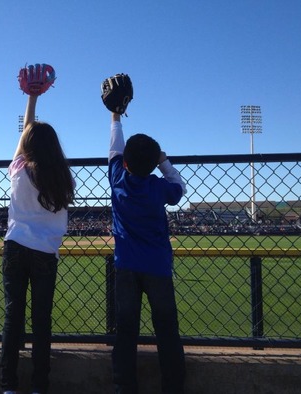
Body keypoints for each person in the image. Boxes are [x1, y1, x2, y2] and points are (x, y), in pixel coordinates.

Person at [108, 111, 188, 393]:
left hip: (126, 266)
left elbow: (115, 148)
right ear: (152, 165)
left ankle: (123, 386)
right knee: (167, 331)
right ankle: (173, 387)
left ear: (125, 162)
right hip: (157, 267)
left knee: (126, 332)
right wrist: (163, 161)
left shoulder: (117, 178)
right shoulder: (158, 187)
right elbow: (179, 188)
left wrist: (115, 116)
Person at [0, 93, 75, 394]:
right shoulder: (63, 178)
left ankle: (8, 386)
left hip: (16, 246)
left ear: (28, 145)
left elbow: (23, 139)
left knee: (12, 317)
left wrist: (32, 98)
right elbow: (30, 141)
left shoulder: (19, 170)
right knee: (41, 322)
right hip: (45, 253)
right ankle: (39, 386)